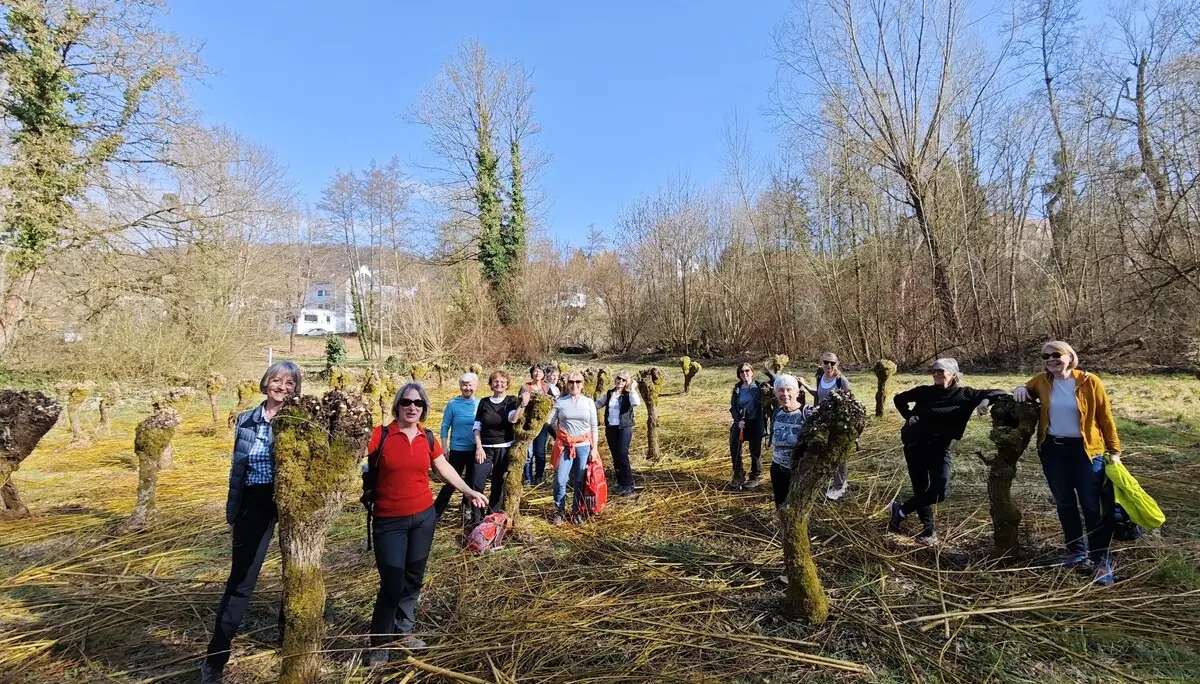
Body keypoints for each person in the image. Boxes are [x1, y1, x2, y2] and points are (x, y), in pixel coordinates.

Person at [365, 383, 487, 665]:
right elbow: (348, 455)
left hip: (423, 518)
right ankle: (380, 642)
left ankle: (403, 631)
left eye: (418, 403)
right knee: (392, 583)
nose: (412, 407)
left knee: (413, 578)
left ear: (424, 408)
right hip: (388, 521)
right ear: (397, 405)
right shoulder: (380, 436)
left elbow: (443, 467)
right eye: (407, 402)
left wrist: (468, 490)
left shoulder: (428, 437)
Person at [201, 361, 302, 684]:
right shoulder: (247, 420)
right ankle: (215, 659)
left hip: (290, 500)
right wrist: (233, 513)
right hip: (254, 501)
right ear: (265, 383)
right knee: (242, 580)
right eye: (277, 381)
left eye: (289, 383)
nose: (282, 388)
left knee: (297, 573)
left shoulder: (300, 420)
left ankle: (289, 638)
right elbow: (237, 473)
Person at [1012, 340, 1122, 585]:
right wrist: (1020, 387)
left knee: (1092, 506)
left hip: (1086, 453)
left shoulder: (1089, 381)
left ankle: (1101, 560)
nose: (1051, 359)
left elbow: (1105, 416)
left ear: (1069, 357)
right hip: (1053, 451)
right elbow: (1026, 390)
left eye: (1056, 355)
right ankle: (1075, 552)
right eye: (1045, 356)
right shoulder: (1042, 381)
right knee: (1064, 503)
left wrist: (1114, 450)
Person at [887, 358, 1002, 544]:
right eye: (934, 371)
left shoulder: (966, 395)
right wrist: (909, 417)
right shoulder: (924, 392)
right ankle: (928, 532)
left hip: (941, 447)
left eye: (940, 371)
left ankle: (900, 510)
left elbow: (1000, 392)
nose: (936, 374)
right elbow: (899, 399)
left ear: (954, 374)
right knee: (921, 488)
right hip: (915, 444)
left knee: (940, 490)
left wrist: (984, 402)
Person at [473, 371, 529, 516]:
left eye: (502, 381)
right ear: (491, 384)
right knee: (477, 483)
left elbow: (513, 419)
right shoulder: (484, 402)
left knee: (498, 485)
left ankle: (492, 518)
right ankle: (476, 519)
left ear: (507, 384)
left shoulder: (510, 401)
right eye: (496, 381)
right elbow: (477, 427)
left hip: (503, 449)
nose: (499, 384)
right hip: (484, 448)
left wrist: (522, 405)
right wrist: (478, 447)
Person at [547, 370, 599, 524]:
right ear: (567, 384)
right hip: (565, 447)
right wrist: (559, 435)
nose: (574, 385)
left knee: (579, 480)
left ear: (582, 385)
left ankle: (576, 511)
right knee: (560, 480)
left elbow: (594, 427)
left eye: (578, 382)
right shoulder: (561, 402)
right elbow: (549, 421)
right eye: (571, 382)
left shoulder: (589, 402)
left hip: (583, 447)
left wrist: (594, 448)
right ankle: (559, 510)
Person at [800, 352, 853, 500]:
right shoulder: (820, 377)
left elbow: (848, 403)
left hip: (836, 422)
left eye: (832, 363)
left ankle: (840, 484)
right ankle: (833, 481)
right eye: (825, 362)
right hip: (822, 421)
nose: (829, 365)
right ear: (821, 363)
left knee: (838, 452)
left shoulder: (841, 381)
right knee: (825, 451)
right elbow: (818, 394)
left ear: (837, 364)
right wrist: (804, 384)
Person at [433, 373, 480, 520]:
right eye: (464, 385)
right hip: (457, 449)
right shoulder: (453, 404)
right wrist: (444, 447)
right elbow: (444, 426)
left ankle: (466, 508)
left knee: (472, 482)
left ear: (476, 386)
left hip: (474, 450)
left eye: (470, 385)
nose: (467, 388)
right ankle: (435, 513)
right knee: (451, 482)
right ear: (460, 386)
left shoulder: (480, 404)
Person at [768, 374, 813, 509]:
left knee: (797, 508)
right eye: (781, 390)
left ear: (797, 392)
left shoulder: (808, 413)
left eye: (789, 390)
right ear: (775, 393)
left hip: (798, 470)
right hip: (777, 468)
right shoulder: (777, 413)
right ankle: (783, 528)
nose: (785, 394)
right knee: (781, 505)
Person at [595, 369, 641, 496]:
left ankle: (628, 485)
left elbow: (636, 403)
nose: (620, 381)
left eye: (623, 380)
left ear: (627, 382)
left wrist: (632, 389)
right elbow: (598, 404)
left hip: (624, 428)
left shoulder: (629, 394)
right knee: (615, 456)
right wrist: (585, 408)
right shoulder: (610, 393)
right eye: (618, 378)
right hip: (611, 428)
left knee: (622, 454)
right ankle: (620, 483)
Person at [729, 361, 766, 490]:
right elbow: (733, 407)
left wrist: (768, 370)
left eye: (747, 371)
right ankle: (738, 474)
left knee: (755, 451)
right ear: (739, 374)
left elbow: (775, 384)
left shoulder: (760, 387)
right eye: (742, 371)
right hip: (741, 423)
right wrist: (738, 420)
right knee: (735, 447)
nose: (745, 373)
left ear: (752, 372)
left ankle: (755, 476)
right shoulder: (737, 388)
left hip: (755, 422)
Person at [523, 364, 560, 485]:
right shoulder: (526, 387)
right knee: (528, 453)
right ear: (532, 373)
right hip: (528, 425)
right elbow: (521, 404)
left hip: (542, 424)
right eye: (535, 371)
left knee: (540, 452)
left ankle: (539, 476)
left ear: (544, 374)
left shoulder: (546, 388)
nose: (537, 373)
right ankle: (527, 477)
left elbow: (553, 403)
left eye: (540, 371)